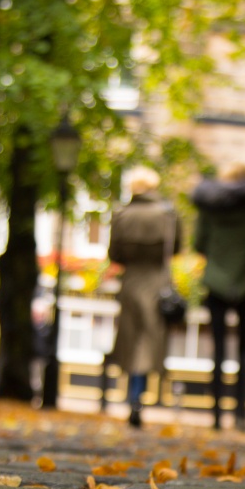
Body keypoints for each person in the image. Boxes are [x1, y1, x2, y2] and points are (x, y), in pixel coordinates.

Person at [191, 162, 245, 431]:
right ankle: (241, 415)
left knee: (218, 350)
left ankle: (215, 415)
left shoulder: (209, 206)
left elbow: (198, 243)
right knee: (244, 352)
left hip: (216, 281)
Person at [104, 168, 179, 430]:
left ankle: (132, 398)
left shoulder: (121, 215)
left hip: (131, 281)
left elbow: (114, 254)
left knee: (131, 338)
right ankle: (139, 398)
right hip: (157, 282)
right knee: (149, 340)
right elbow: (177, 248)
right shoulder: (167, 215)